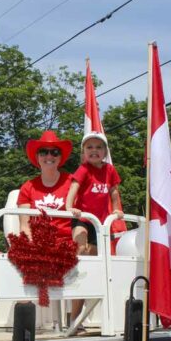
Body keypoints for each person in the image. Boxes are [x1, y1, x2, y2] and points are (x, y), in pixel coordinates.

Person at [65, 132, 123, 322]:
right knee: (81, 247)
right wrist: (69, 207)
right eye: (89, 147)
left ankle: (76, 317)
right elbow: (73, 188)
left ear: (105, 152)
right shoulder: (83, 169)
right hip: (83, 218)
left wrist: (116, 211)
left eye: (99, 147)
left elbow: (114, 192)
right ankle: (73, 267)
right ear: (83, 152)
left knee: (93, 262)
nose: (94, 151)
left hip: (99, 224)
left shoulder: (110, 170)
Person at [17, 130, 74, 241]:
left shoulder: (73, 182)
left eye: (55, 152)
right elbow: (25, 226)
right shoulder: (27, 187)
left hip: (68, 245)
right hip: (38, 244)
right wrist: (33, 249)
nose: (49, 156)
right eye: (43, 152)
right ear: (37, 157)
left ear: (60, 157)